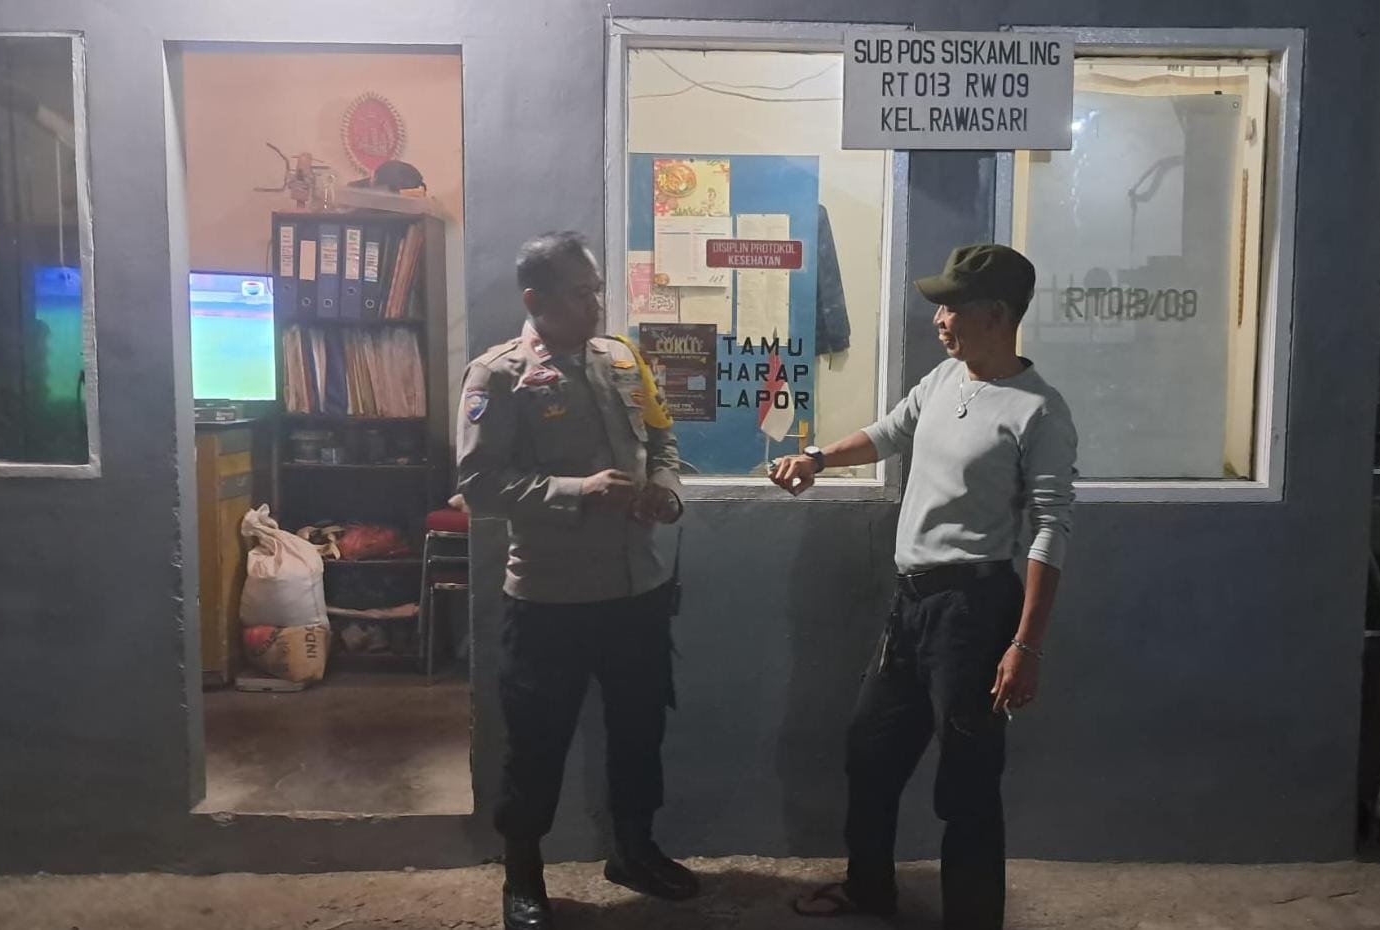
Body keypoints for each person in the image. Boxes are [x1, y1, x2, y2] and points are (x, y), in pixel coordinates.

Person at [773, 244, 1077, 930]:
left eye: (951, 307)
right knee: (870, 751)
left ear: (995, 314)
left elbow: (1050, 528)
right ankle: (869, 888)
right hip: (911, 604)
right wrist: (817, 458)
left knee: (966, 782)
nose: (939, 320)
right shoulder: (943, 379)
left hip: (974, 612)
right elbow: (888, 433)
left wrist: (1025, 645)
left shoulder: (1039, 412)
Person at [456, 232, 698, 930]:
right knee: (537, 743)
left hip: (637, 591)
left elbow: (662, 439)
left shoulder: (620, 359)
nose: (595, 304)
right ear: (536, 299)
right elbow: (478, 484)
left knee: (639, 730)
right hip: (549, 601)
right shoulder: (497, 376)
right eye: (579, 292)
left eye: (595, 289)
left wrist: (666, 490)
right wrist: (576, 491)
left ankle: (633, 850)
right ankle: (523, 876)